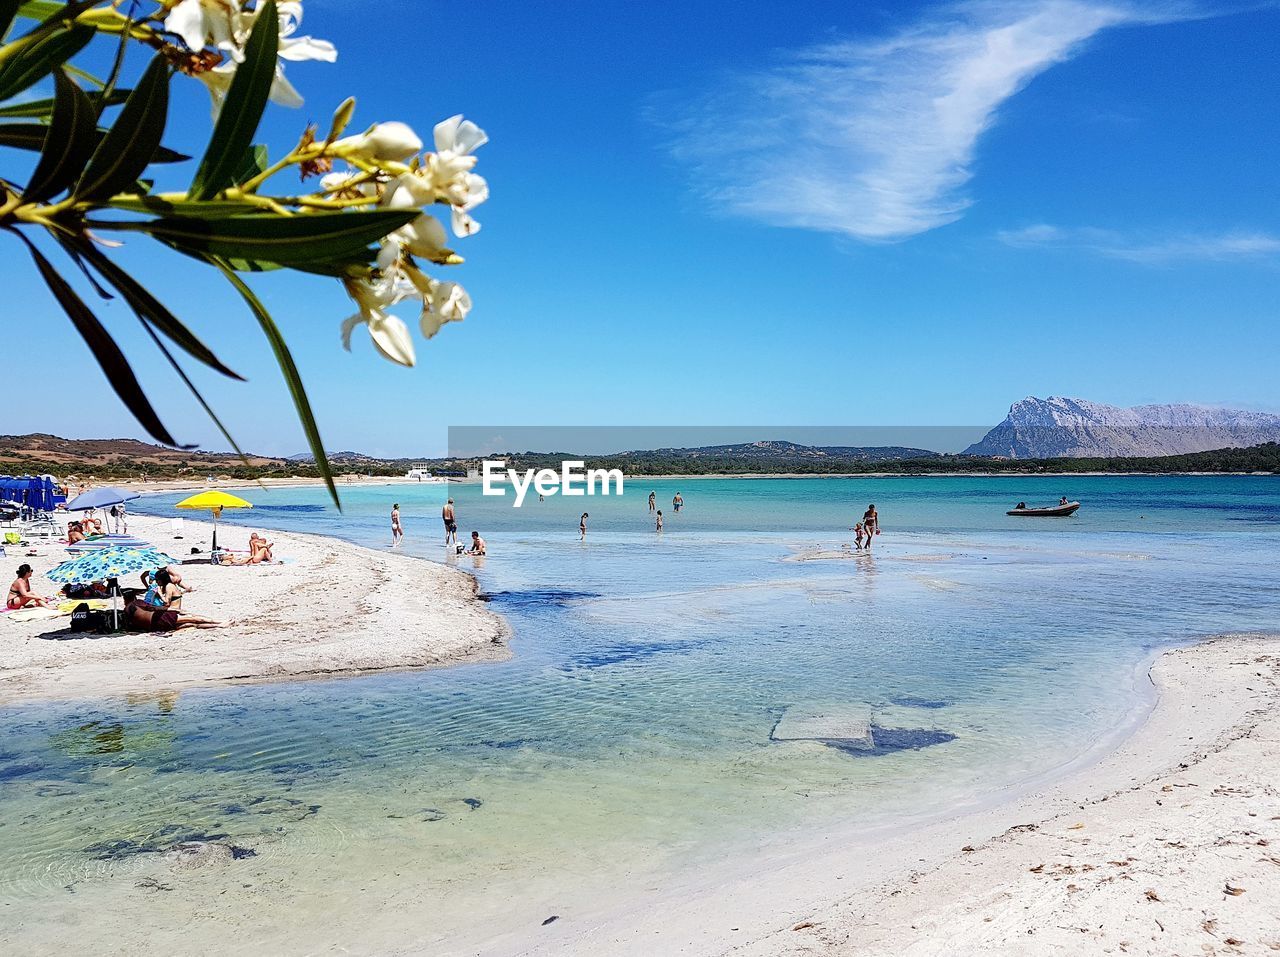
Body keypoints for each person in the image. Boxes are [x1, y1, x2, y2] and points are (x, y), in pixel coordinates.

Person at [124, 600, 222, 632]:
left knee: (192, 625)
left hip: (154, 627)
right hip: (160, 618)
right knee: (192, 618)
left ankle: (218, 626)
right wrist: (174, 609)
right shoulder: (137, 603)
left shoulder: (126, 612)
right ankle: (219, 623)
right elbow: (154, 608)